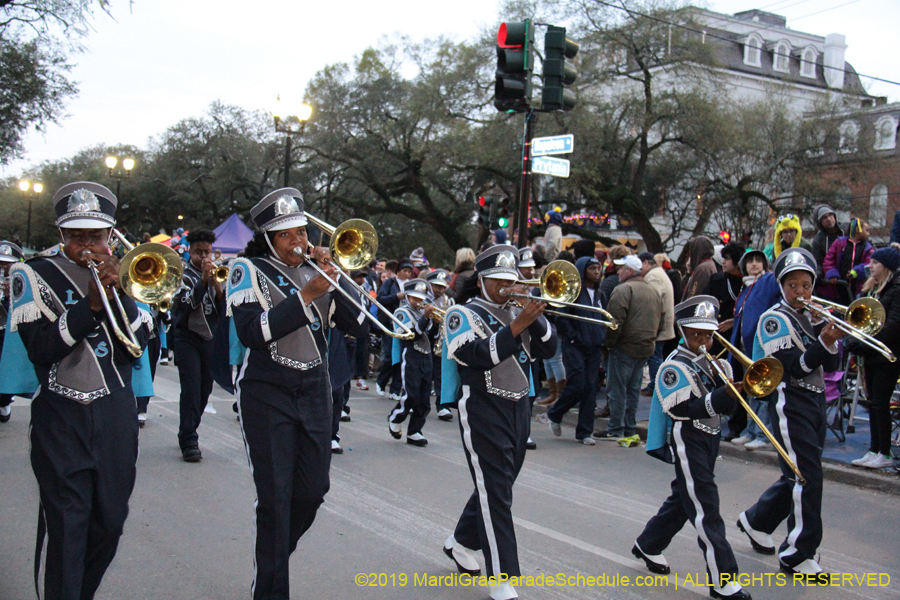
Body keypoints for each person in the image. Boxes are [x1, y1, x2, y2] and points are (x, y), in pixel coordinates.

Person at [9, 182, 151, 599]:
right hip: (60, 415)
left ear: (110, 235)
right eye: (76, 236)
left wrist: (121, 293)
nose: (86, 245)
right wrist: (89, 306)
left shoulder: (127, 273)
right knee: (68, 527)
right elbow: (42, 348)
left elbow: (137, 348)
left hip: (115, 415)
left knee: (110, 522)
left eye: (95, 235)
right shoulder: (32, 273)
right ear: (61, 234)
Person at [227, 188, 367, 600]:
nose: (298, 241)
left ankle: (271, 560)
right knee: (275, 499)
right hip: (266, 391)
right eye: (286, 234)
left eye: (301, 231)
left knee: (312, 491)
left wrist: (339, 277)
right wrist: (306, 296)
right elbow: (252, 332)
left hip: (315, 391)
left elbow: (360, 326)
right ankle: (271, 589)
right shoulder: (246, 270)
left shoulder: (316, 271)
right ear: (269, 238)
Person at [441, 245, 557, 600]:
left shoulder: (516, 309)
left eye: (512, 280)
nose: (508, 287)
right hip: (481, 407)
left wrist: (533, 316)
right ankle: (501, 576)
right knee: (497, 492)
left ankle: (460, 541)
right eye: (500, 282)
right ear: (482, 281)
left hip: (519, 405)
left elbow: (551, 349)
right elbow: (478, 356)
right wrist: (519, 322)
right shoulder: (462, 314)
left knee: (499, 485)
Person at [737, 248, 845, 581]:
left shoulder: (808, 317)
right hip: (790, 400)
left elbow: (830, 365)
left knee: (801, 471)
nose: (801, 293)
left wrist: (831, 337)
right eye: (793, 285)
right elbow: (794, 368)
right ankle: (798, 553)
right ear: (782, 287)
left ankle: (757, 521)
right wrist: (822, 339)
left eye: (807, 286)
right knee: (806, 475)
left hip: (815, 402)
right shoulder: (774, 319)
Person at [636, 296, 749, 600]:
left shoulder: (717, 362)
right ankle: (723, 579)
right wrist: (724, 395)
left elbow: (724, 409)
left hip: (710, 438)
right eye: (697, 333)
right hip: (687, 438)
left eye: (709, 335)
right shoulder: (672, 368)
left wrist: (739, 391)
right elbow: (684, 409)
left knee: (685, 498)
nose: (704, 340)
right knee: (705, 506)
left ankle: (648, 543)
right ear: (682, 330)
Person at [538, 255, 607, 444]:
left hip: (594, 348)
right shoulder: (574, 293)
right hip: (575, 346)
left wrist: (602, 335)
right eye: (592, 268)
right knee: (577, 384)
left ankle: (585, 432)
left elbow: (603, 317)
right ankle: (555, 413)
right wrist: (574, 336)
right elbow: (562, 317)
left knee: (591, 388)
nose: (596, 272)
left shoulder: (600, 295)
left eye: (598, 268)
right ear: (582, 271)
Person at [599, 254, 664, 443]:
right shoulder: (653, 291)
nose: (618, 271)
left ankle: (615, 428)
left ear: (629, 271)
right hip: (645, 347)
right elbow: (661, 320)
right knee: (633, 391)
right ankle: (628, 428)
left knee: (617, 390)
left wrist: (609, 344)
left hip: (624, 347)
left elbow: (614, 323)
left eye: (621, 268)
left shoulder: (623, 290)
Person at [172, 228, 224, 462]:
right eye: (198, 253)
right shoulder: (181, 276)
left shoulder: (217, 273)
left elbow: (224, 311)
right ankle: (189, 439)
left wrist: (218, 286)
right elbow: (186, 305)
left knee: (205, 390)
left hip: (210, 339)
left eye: (207, 252)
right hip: (188, 337)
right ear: (189, 253)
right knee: (191, 388)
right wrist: (203, 281)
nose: (204, 257)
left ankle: (190, 427)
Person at [846, 246, 900, 470]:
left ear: (886, 266)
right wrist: (853, 339)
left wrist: (866, 344)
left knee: (880, 404)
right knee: (872, 404)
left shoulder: (896, 290)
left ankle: (884, 452)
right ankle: (874, 449)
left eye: (875, 263)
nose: (870, 266)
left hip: (886, 355)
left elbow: (894, 325)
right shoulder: (871, 291)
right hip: (870, 354)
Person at [727, 250, 779, 449]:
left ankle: (763, 434)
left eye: (758, 261)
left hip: (761, 346)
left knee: (762, 394)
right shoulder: (746, 287)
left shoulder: (768, 281)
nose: (754, 264)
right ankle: (750, 431)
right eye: (750, 262)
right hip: (744, 347)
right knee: (750, 392)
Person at [388, 278, 438, 446]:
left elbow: (431, 335)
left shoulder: (423, 312)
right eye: (414, 298)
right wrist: (425, 317)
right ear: (407, 296)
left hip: (426, 356)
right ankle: (396, 417)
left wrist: (435, 322)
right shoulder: (401, 312)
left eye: (421, 299)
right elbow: (412, 334)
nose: (418, 302)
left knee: (424, 398)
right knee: (411, 394)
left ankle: (415, 430)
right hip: (410, 355)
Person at [639, 252, 675, 398]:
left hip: (657, 325)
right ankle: (656, 384)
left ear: (646, 263)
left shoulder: (653, 276)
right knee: (656, 356)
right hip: (661, 323)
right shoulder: (659, 272)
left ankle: (656, 385)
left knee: (654, 356)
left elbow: (653, 301)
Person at [376, 259, 413, 399]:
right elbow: (380, 299)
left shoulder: (410, 285)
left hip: (404, 325)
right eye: (404, 271)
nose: (407, 274)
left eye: (409, 271)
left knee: (401, 357)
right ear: (398, 271)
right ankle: (382, 381)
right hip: (391, 323)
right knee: (390, 356)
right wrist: (396, 297)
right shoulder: (390, 283)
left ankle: (395, 389)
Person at [0, 241, 24, 423]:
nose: (4, 268)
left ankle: (4, 399)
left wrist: (11, 298)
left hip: (8, 334)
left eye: (8, 264)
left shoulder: (25, 282)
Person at [823, 217, 873, 305]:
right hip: (838, 286)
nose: (868, 234)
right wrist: (832, 274)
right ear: (858, 230)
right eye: (867, 230)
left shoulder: (867, 247)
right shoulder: (839, 243)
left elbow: (869, 263)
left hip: (858, 288)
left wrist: (856, 272)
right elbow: (829, 259)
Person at [426, 268, 454, 421]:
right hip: (425, 339)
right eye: (437, 286)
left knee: (440, 373)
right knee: (421, 374)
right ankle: (415, 402)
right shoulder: (422, 298)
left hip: (440, 341)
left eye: (443, 287)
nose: (440, 290)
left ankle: (442, 406)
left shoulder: (447, 300)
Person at [810, 205, 844, 302]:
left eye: (830, 215)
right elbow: (818, 262)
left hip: (848, 279)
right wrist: (818, 277)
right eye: (824, 218)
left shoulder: (845, 231)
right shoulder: (818, 240)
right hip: (830, 283)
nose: (829, 219)